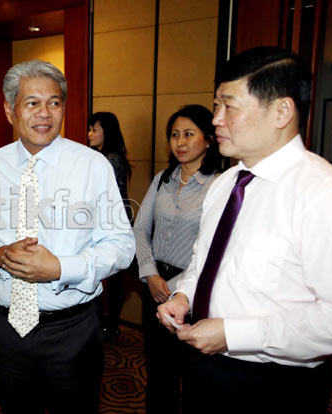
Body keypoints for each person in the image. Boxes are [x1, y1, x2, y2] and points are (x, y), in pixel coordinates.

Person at [157, 47, 332, 414]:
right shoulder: (226, 183)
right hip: (204, 364)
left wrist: (233, 334)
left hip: (277, 384)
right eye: (216, 106)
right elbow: (204, 262)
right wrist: (184, 295)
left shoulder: (325, 195)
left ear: (281, 112)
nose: (216, 120)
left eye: (229, 107)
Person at [0, 60, 135, 413]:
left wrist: (60, 268)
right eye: (32, 103)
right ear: (9, 110)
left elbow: (121, 246)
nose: (44, 113)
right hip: (7, 328)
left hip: (72, 329)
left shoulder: (93, 166)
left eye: (54, 103)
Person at [133, 104, 223, 414]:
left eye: (188, 134)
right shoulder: (163, 179)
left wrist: (172, 287)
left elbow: (214, 248)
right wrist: (151, 275)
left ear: (208, 140)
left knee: (194, 372)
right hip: (154, 285)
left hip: (191, 289)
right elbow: (139, 229)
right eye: (174, 135)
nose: (180, 142)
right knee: (159, 371)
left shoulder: (218, 185)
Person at [87, 111, 133, 341]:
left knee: (112, 276)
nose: (89, 134)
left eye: (94, 129)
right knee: (111, 277)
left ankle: (110, 325)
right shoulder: (103, 157)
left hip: (111, 221)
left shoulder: (110, 159)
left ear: (107, 132)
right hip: (109, 218)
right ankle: (109, 324)